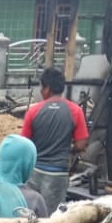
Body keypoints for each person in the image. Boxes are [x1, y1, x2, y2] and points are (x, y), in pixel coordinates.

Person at [20, 66, 89, 211]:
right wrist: (68, 149)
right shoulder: (75, 111)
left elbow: (23, 144)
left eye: (42, 87)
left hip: (34, 171)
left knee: (28, 214)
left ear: (48, 88)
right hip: (58, 173)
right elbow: (81, 144)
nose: (40, 91)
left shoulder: (33, 111)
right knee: (52, 219)